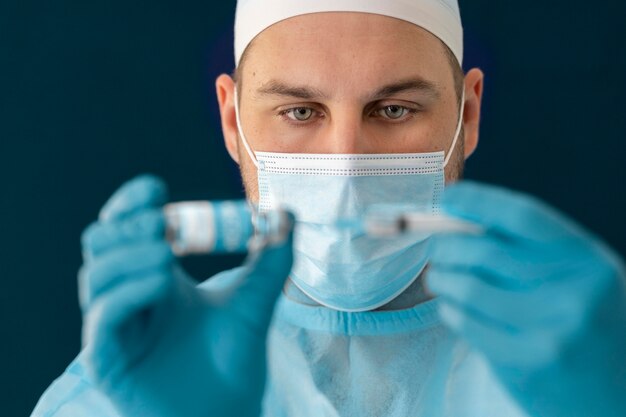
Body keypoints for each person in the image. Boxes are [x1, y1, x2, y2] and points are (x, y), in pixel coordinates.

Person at [31, 1, 626, 416]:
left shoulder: (586, 370)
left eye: (393, 109)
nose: (345, 165)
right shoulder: (125, 388)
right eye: (300, 112)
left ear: (467, 115)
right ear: (233, 121)